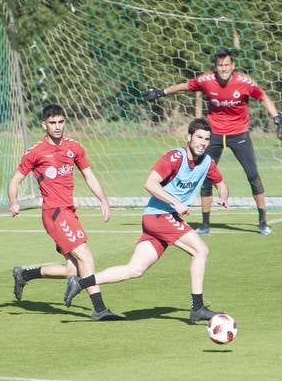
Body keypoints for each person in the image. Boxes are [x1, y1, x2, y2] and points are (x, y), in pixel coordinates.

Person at [66, 119, 228, 323]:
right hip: (160, 215)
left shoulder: (207, 162)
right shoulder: (175, 157)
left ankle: (81, 283)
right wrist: (175, 203)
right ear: (189, 137)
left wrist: (223, 195)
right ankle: (197, 308)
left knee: (135, 269)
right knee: (201, 250)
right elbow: (149, 183)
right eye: (198, 137)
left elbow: (221, 183)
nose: (202, 142)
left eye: (206, 139)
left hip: (162, 219)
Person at [143, 48, 282, 235]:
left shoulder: (244, 82)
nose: (223, 69)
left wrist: (278, 120)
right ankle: (205, 224)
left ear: (233, 66)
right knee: (205, 177)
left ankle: (262, 221)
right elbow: (185, 86)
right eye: (220, 65)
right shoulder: (206, 80)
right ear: (215, 67)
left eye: (227, 65)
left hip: (239, 134)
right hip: (214, 134)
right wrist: (161, 92)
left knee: (253, 176)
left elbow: (263, 97)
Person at [6, 103, 121, 320]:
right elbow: (15, 180)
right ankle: (99, 309)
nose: (57, 127)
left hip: (69, 211)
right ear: (44, 124)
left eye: (60, 122)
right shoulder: (35, 152)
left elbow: (89, 175)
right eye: (52, 123)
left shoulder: (74, 147)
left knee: (72, 270)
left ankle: (24, 274)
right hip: (55, 213)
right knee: (86, 255)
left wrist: (103, 200)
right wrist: (14, 202)